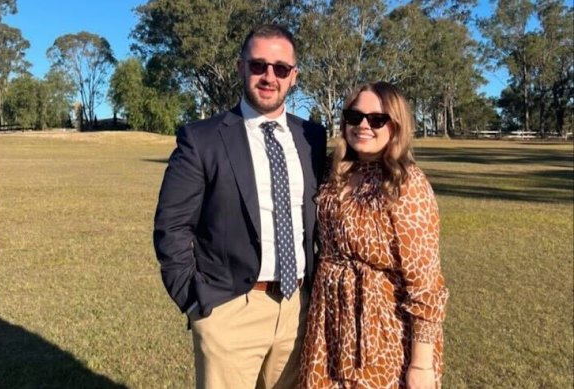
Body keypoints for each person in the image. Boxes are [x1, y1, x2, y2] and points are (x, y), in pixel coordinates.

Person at [153, 24, 327, 389]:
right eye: (258, 65)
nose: (269, 76)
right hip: (230, 310)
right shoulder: (201, 139)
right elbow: (171, 227)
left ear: (294, 76)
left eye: (281, 68)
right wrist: (196, 303)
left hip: (299, 308)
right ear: (240, 68)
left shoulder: (312, 137)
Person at [299, 82, 449, 389]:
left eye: (376, 119)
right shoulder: (333, 172)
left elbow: (425, 283)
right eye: (355, 117)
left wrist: (421, 363)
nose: (363, 125)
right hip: (327, 323)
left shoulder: (406, 184)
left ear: (395, 126)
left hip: (383, 330)